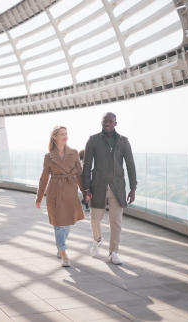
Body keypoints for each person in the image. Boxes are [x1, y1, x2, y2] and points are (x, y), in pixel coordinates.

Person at [82, 112, 137, 265]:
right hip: (97, 186)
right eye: (105, 121)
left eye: (110, 121)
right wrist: (86, 188)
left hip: (117, 187)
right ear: (101, 122)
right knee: (95, 219)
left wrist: (133, 188)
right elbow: (86, 166)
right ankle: (97, 239)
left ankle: (114, 252)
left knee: (116, 221)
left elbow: (130, 166)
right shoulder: (93, 140)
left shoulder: (123, 142)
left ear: (115, 123)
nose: (107, 123)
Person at [36, 125, 85, 267]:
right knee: (59, 225)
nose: (65, 135)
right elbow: (44, 178)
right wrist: (39, 198)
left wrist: (84, 191)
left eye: (66, 133)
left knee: (68, 224)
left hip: (70, 191)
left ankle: (60, 246)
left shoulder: (74, 153)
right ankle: (63, 253)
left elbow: (80, 174)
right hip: (55, 192)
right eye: (62, 134)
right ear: (55, 137)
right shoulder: (49, 156)